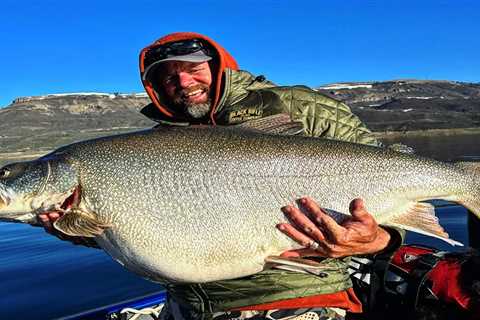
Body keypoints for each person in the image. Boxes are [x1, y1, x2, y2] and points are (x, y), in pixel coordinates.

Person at [39, 32, 403, 320]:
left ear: (219, 64)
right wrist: (77, 228)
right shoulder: (155, 148)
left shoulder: (302, 108)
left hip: (298, 298)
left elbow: (389, 178)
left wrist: (380, 238)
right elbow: (145, 230)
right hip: (190, 306)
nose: (181, 81)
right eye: (166, 77)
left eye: (192, 67)